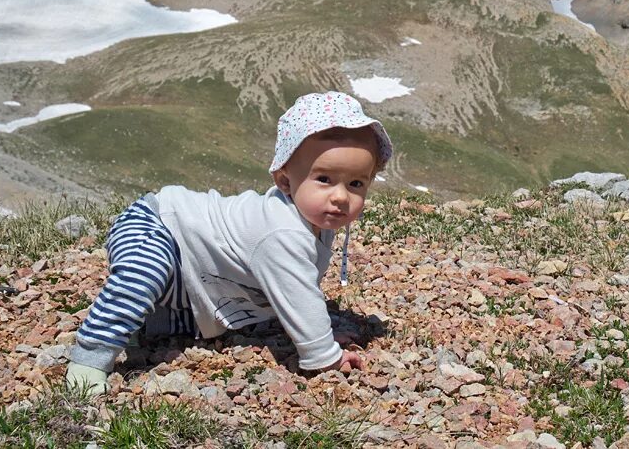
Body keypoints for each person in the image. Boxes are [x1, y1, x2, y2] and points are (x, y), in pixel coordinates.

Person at [64, 91, 392, 396]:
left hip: (195, 266)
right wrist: (324, 354)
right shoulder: (282, 231)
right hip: (160, 222)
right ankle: (90, 356)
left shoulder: (315, 217)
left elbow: (298, 287)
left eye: (355, 183)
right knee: (145, 273)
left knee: (187, 322)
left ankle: (140, 321)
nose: (340, 196)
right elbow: (297, 292)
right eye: (324, 179)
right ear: (284, 180)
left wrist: (318, 331)